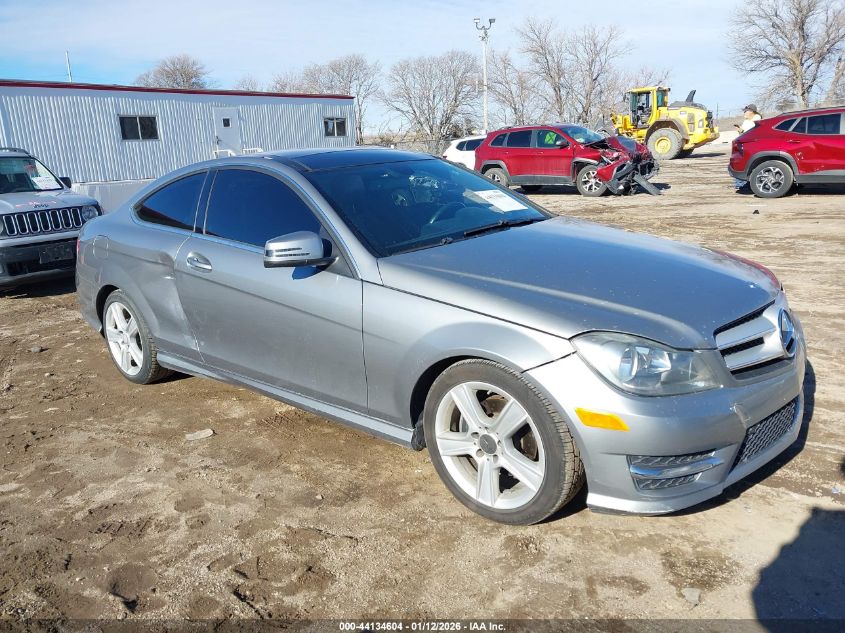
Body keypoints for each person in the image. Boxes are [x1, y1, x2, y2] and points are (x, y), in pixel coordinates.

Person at [734, 104, 763, 190]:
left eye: (746, 111)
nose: (744, 113)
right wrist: (740, 130)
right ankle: (742, 184)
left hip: (751, 146)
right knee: (739, 163)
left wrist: (743, 132)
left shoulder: (757, 120)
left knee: (743, 163)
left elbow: (752, 133)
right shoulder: (746, 121)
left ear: (751, 111)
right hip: (744, 144)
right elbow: (744, 133)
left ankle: (743, 184)